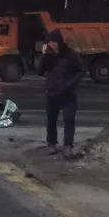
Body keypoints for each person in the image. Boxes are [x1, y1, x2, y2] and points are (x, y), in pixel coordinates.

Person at [36, 29, 85, 159]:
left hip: (68, 94)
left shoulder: (70, 55)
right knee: (51, 120)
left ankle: (68, 145)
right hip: (52, 93)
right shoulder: (48, 56)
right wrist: (43, 56)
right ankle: (51, 143)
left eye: (54, 42)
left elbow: (81, 70)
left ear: (59, 42)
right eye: (49, 42)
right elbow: (39, 71)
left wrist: (70, 84)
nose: (52, 45)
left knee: (69, 119)